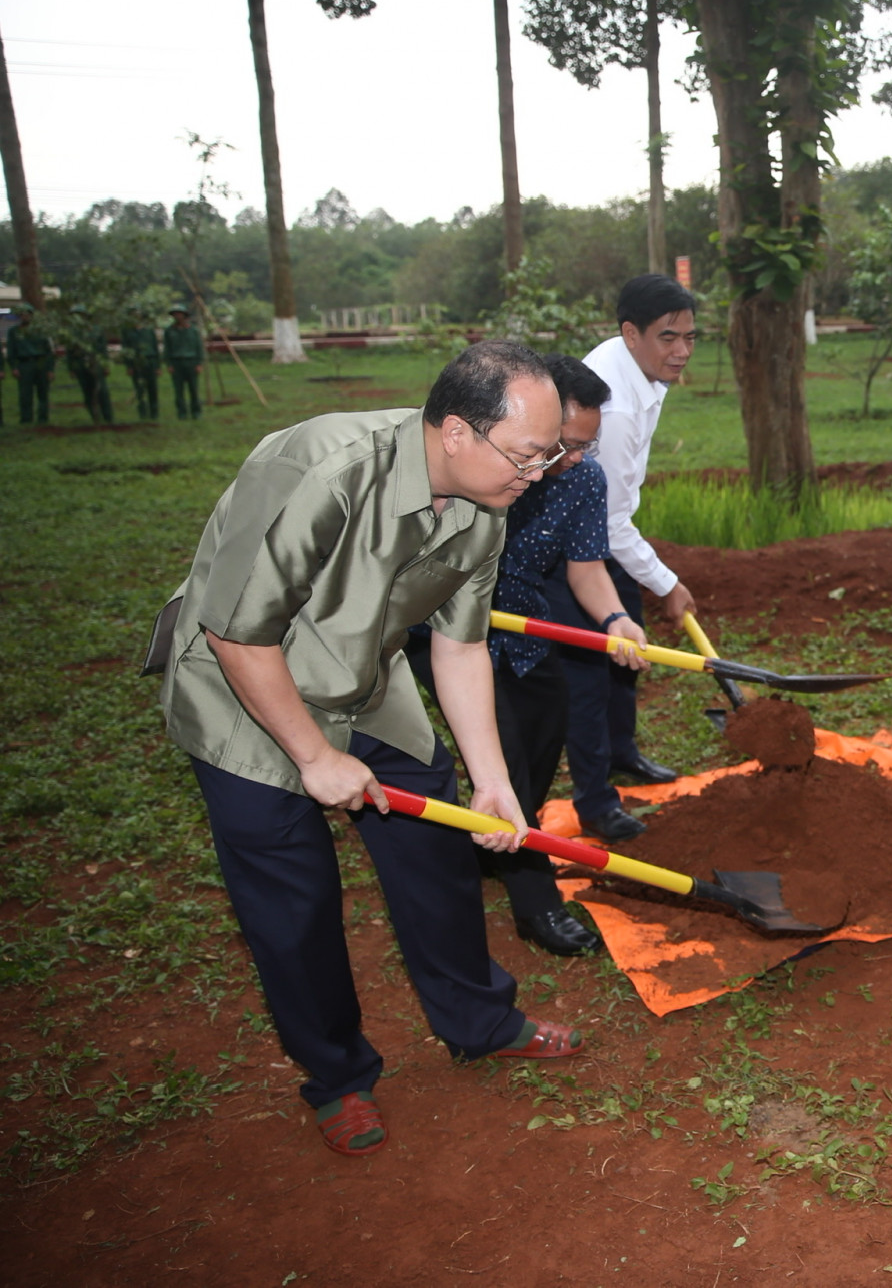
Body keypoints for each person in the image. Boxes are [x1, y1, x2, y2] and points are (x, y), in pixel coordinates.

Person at [150, 340, 585, 1158]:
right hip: (245, 698)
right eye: (528, 454)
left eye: (549, 453)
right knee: (294, 901)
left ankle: (480, 1020)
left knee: (437, 856)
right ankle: (338, 1077)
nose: (541, 471)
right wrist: (313, 757)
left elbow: (458, 651)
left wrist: (493, 785)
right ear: (457, 432)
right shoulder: (320, 470)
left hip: (365, 686)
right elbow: (236, 631)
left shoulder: (486, 509)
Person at [406, 354, 648, 954]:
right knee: (505, 755)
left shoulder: (581, 479)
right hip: (449, 629)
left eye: (584, 447)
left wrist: (616, 617)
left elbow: (585, 567)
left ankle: (504, 832)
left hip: (524, 626)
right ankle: (535, 899)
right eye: (560, 444)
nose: (567, 461)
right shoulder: (490, 471)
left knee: (547, 729)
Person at [569, 275, 700, 805]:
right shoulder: (615, 408)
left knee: (629, 650)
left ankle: (623, 752)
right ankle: (597, 798)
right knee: (592, 678)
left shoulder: (633, 364)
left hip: (607, 537)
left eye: (690, 337)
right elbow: (612, 522)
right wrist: (667, 585)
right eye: (668, 338)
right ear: (630, 333)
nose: (682, 351)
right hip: (578, 549)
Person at [8, 302, 56, 424]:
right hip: (24, 364)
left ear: (31, 315)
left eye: (27, 314)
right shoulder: (14, 332)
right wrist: (14, 367)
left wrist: (50, 369)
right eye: (22, 314)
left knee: (43, 392)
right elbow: (11, 350)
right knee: (25, 394)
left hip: (41, 363)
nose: (24, 316)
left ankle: (43, 418)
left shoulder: (42, 330)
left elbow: (50, 351)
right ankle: (26, 419)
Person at [66, 307, 113, 423]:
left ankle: (108, 418)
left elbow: (103, 349)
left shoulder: (96, 330)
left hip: (96, 362)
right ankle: (95, 417)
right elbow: (69, 352)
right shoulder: (72, 333)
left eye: (80, 315)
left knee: (102, 391)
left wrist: (106, 365)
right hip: (80, 364)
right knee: (87, 391)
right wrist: (71, 368)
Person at [163, 304, 204, 419]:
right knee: (178, 390)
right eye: (175, 314)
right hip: (176, 363)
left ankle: (196, 412)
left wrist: (199, 363)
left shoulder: (193, 330)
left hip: (191, 362)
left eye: (179, 314)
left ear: (184, 315)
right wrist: (169, 364)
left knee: (194, 389)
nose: (177, 316)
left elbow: (198, 347)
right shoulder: (169, 331)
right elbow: (167, 349)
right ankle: (181, 412)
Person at [122, 309, 162, 420]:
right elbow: (126, 349)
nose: (136, 317)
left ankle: (154, 413)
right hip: (136, 363)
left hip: (150, 362)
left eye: (138, 315)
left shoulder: (149, 331)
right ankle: (142, 413)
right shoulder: (127, 331)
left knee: (152, 389)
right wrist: (129, 366)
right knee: (139, 389)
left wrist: (158, 366)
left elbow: (155, 348)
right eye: (133, 315)